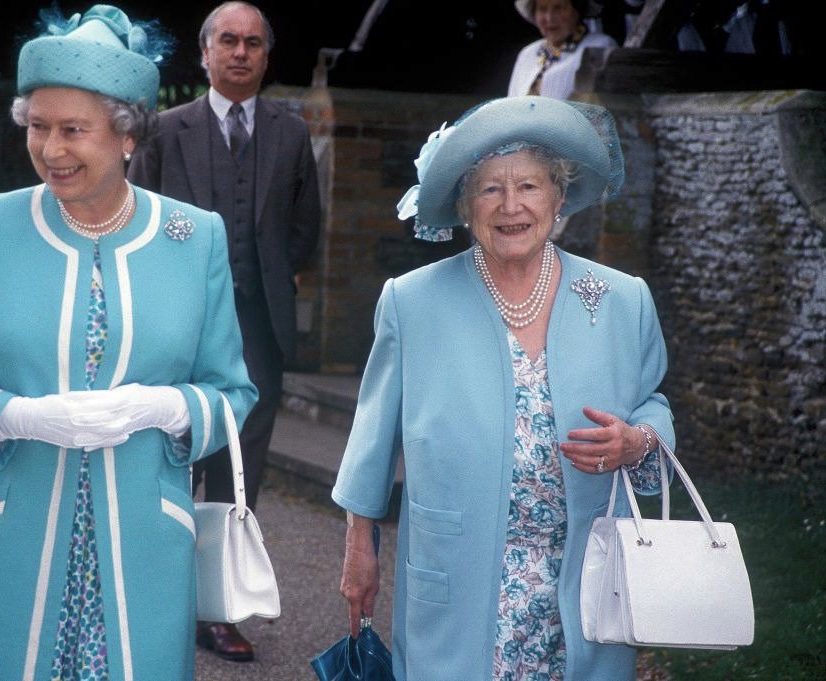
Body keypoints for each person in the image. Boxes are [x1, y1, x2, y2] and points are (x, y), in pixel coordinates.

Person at [0, 5, 257, 680]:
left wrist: (163, 408)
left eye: (73, 130)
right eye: (37, 127)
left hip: (140, 549)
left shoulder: (194, 237)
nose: (50, 149)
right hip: (4, 541)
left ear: (126, 137)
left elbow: (232, 391)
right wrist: (18, 416)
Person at [335, 95, 675, 681]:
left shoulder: (622, 299)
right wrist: (358, 547)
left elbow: (654, 404)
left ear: (559, 198)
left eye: (530, 187)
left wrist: (638, 441)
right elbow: (372, 436)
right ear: (466, 205)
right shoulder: (412, 301)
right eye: (490, 189)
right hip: (458, 576)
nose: (511, 206)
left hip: (584, 580)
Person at [128, 0, 321, 662]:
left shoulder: (292, 134)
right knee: (171, 458)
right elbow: (136, 224)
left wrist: (266, 279)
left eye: (253, 43)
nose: (241, 53)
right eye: (228, 42)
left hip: (258, 330)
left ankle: (218, 608)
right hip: (175, 330)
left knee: (242, 471)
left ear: (267, 56)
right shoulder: (162, 131)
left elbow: (305, 228)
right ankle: (159, 600)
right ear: (204, 54)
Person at [508, 0, 617, 99]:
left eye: (558, 8)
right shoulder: (527, 54)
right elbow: (510, 109)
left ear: (577, 10)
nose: (549, 18)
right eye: (542, 9)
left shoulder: (600, 46)